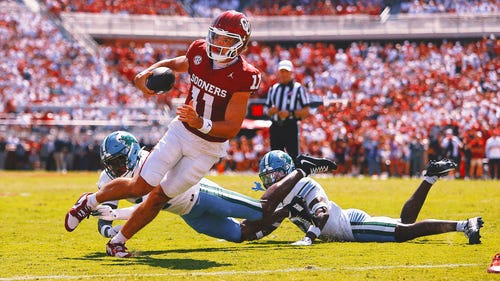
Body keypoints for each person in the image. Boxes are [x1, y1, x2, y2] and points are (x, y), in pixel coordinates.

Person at [64, 10, 262, 257]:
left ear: (240, 43)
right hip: (181, 131)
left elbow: (232, 127)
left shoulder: (245, 75)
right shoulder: (200, 51)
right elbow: (177, 64)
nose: (218, 43)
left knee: (159, 197)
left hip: (207, 148)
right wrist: (147, 72)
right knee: (140, 186)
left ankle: (117, 242)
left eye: (226, 39)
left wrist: (201, 122)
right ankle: (89, 202)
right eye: (216, 36)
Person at [89, 131, 283, 257]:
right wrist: (109, 229)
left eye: (119, 161)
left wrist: (117, 215)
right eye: (111, 164)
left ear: (131, 153)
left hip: (202, 194)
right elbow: (103, 222)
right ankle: (288, 210)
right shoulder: (108, 180)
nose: (116, 168)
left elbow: (149, 204)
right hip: (188, 214)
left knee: (261, 211)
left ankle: (297, 180)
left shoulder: (149, 163)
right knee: (239, 235)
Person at [258, 150, 484, 246]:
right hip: (347, 222)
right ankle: (431, 178)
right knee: (404, 224)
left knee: (403, 232)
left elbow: (322, 213)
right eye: (268, 177)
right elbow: (269, 224)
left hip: (351, 226)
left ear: (287, 170)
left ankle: (464, 224)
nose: (272, 180)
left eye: (276, 174)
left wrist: (309, 238)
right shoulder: (284, 197)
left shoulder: (304, 183)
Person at [264, 59, 311, 160]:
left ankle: (294, 176)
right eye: (282, 71)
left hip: (291, 126)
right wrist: (270, 111)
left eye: (286, 71)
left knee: (293, 158)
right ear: (278, 73)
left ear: (291, 73)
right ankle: (278, 176)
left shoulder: (298, 88)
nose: (284, 74)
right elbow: (265, 110)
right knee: (275, 158)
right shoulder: (273, 88)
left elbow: (306, 111)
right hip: (275, 127)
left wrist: (290, 113)